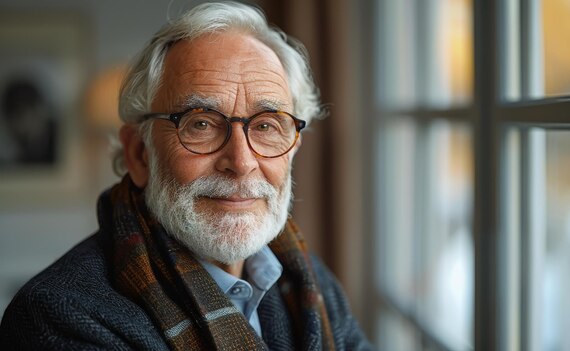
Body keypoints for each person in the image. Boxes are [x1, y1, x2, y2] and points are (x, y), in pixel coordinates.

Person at [0, 2, 372, 350]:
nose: (241, 162)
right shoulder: (57, 315)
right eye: (201, 124)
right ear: (139, 154)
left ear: (293, 148)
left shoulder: (306, 278)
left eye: (266, 126)